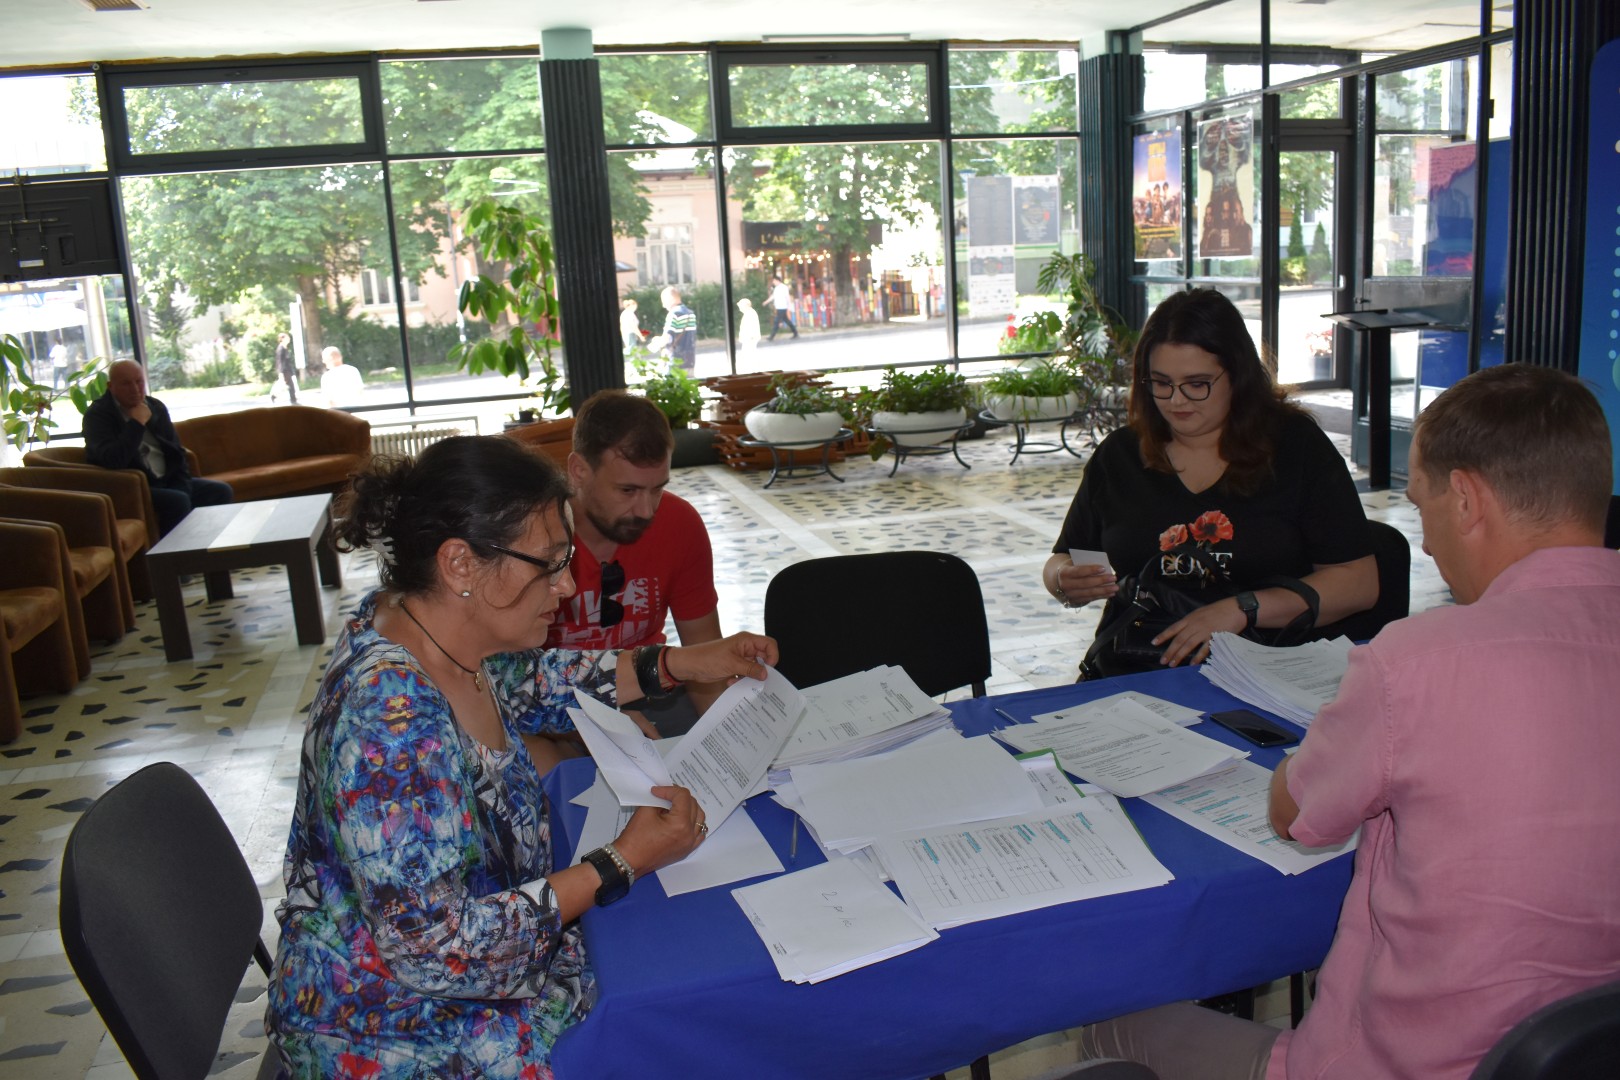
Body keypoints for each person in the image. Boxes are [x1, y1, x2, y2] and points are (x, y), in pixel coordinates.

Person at [1071, 364, 1620, 1079]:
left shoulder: (1418, 662)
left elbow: (1296, 814)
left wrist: (1335, 740)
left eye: (1421, 507)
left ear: (1465, 499)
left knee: (1109, 1023)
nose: (1427, 546)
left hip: (1397, 1064)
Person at [266, 435, 778, 1078]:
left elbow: (537, 682)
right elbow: (435, 952)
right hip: (391, 1022)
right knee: (679, 1019)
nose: (566, 584)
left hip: (478, 958)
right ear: (460, 564)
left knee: (674, 967)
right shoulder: (390, 725)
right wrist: (622, 860)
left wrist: (678, 662)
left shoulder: (421, 624)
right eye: (549, 563)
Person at [1045, 288, 1377, 670]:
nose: (1176, 400)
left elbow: (1359, 583)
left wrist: (1243, 609)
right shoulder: (1120, 455)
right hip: (1136, 668)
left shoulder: (1296, 447)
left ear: (1237, 376)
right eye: (1161, 382)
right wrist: (1064, 580)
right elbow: (1064, 557)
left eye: (1197, 383)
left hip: (1267, 668)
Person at [543, 390, 724, 725]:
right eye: (627, 490)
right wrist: (589, 723)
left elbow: (706, 656)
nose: (646, 510)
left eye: (657, 489)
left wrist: (727, 739)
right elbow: (507, 684)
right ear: (579, 470)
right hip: (552, 706)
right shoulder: (533, 535)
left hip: (652, 693)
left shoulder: (679, 523)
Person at [83, 359, 233, 536]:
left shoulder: (155, 407)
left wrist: (182, 486)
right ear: (110, 386)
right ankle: (176, 552)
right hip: (133, 487)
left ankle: (211, 543)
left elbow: (177, 453)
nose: (135, 389)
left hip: (167, 479)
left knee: (220, 491)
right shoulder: (97, 416)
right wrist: (136, 423)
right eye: (126, 383)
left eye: (139, 381)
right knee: (177, 501)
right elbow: (113, 460)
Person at [658, 286, 696, 371]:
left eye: (664, 301)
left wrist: (657, 342)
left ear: (670, 299)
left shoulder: (674, 314)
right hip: (690, 361)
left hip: (675, 361)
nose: (663, 305)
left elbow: (667, 338)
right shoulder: (691, 313)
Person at [767, 275, 798, 340]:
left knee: (776, 321)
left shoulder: (784, 287)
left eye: (774, 281)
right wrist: (766, 302)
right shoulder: (776, 288)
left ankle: (771, 337)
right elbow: (773, 296)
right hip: (779, 307)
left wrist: (789, 305)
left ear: (777, 281)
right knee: (787, 321)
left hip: (782, 307)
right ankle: (795, 333)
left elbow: (787, 296)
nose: (773, 282)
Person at [273, 331, 300, 405]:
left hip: (288, 370)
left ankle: (275, 395)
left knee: (287, 385)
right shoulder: (280, 349)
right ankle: (293, 400)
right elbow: (279, 361)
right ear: (282, 339)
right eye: (287, 338)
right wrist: (280, 373)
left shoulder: (285, 348)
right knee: (289, 385)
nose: (288, 339)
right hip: (284, 371)